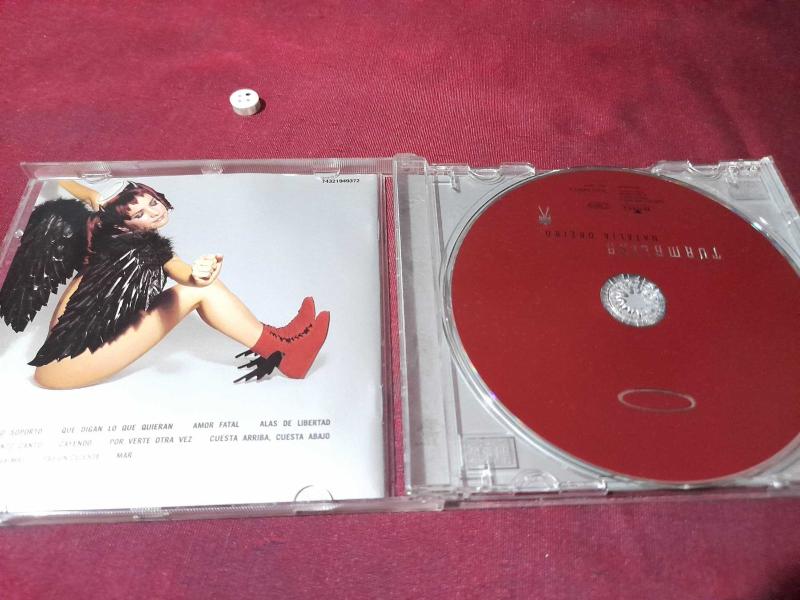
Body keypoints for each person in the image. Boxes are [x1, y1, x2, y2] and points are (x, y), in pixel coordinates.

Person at [0, 180, 329, 389]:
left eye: (152, 202)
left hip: (69, 352)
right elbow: (186, 276)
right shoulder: (138, 247)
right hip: (67, 364)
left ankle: (281, 339)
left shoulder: (103, 224)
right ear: (125, 221)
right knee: (202, 290)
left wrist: (59, 177)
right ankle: (287, 352)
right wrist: (200, 274)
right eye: (140, 213)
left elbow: (87, 193)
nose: (153, 213)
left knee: (201, 288)